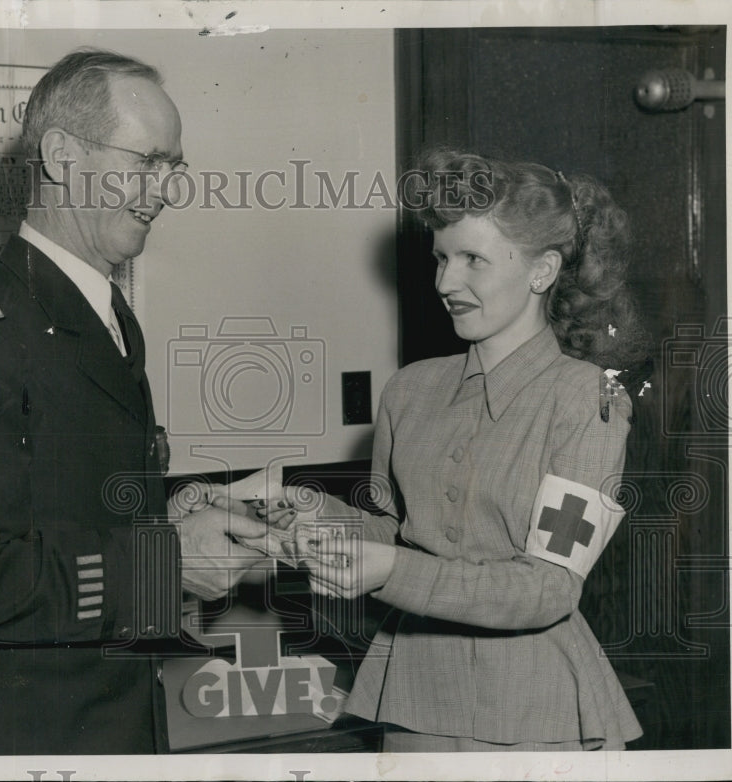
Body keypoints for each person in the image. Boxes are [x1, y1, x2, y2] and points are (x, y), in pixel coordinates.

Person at [0, 48, 268, 755]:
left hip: (101, 716)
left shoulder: (104, 315)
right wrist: (163, 562)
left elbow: (62, 508)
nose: (163, 190)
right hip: (11, 736)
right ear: (62, 155)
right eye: (145, 161)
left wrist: (175, 519)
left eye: (172, 167)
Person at [264, 148, 648, 751]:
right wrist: (308, 513)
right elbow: (398, 535)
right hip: (412, 697)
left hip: (533, 711)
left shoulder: (586, 401)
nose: (446, 282)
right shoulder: (409, 391)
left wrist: (392, 570)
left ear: (542, 271)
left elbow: (548, 588)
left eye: (473, 259)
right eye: (442, 258)